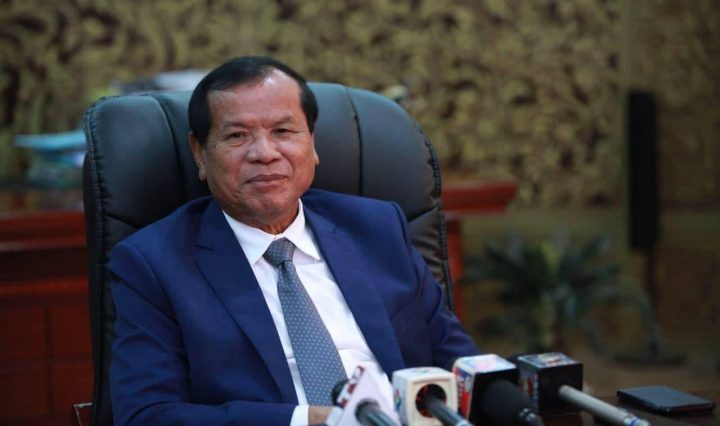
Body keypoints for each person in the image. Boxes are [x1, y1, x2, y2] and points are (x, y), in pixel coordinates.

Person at [109, 56, 479, 426]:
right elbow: (147, 415)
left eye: (283, 131)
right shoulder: (154, 264)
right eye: (237, 136)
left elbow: (462, 366)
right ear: (199, 153)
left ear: (312, 144)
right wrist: (309, 421)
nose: (265, 153)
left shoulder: (378, 229)